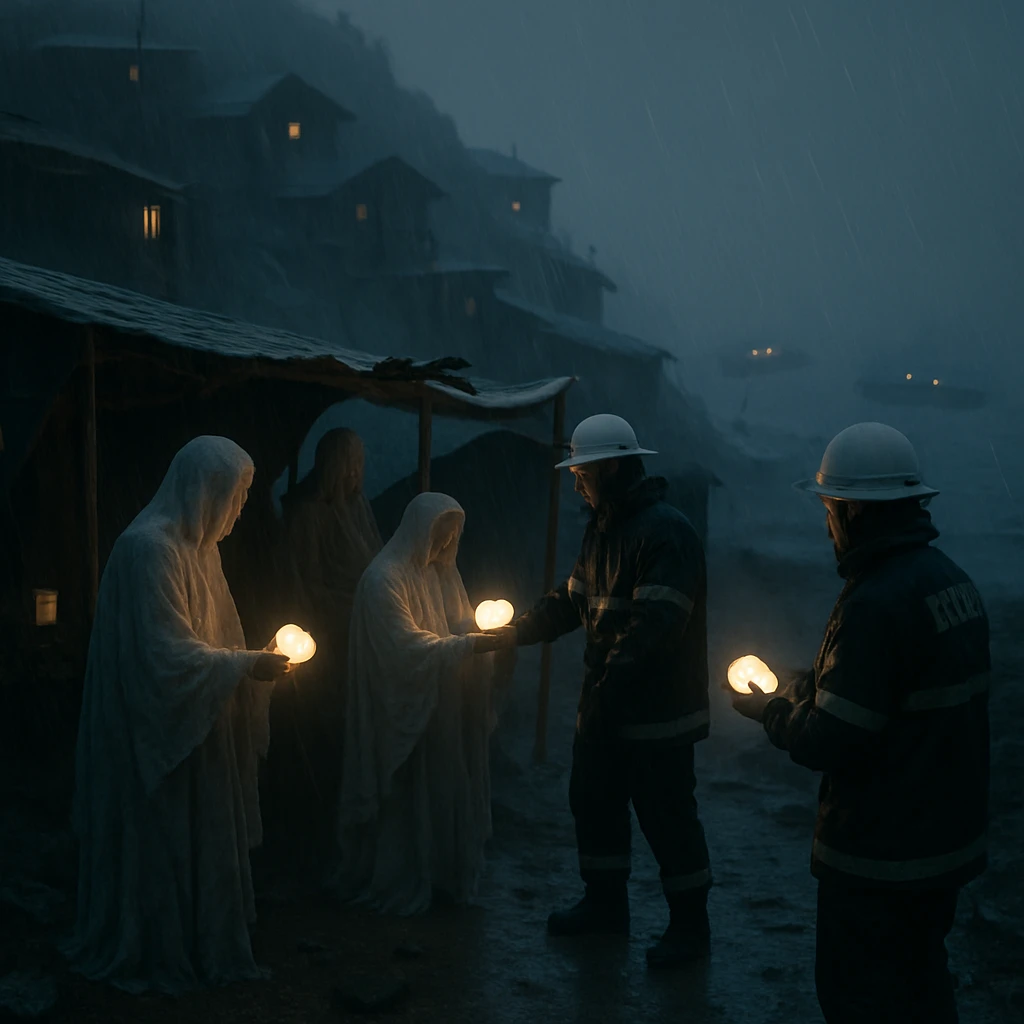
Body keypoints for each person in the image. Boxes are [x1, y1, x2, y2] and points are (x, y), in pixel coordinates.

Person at [730, 422, 989, 1024]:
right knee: (923, 986)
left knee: (859, 999)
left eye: (829, 510)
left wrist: (770, 710)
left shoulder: (873, 602)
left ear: (850, 512)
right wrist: (799, 682)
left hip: (880, 858)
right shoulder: (953, 582)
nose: (826, 526)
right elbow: (890, 696)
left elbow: (832, 739)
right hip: (943, 847)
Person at [61, 436, 292, 994]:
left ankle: (198, 936)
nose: (239, 511)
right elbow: (163, 658)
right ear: (201, 490)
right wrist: (242, 666)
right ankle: (163, 940)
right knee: (163, 841)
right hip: (157, 739)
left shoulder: (201, 552)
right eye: (233, 496)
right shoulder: (150, 551)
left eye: (243, 498)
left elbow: (216, 638)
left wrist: (244, 664)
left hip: (199, 726)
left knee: (196, 836)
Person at [485, 413, 712, 969]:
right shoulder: (603, 530)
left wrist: (606, 696)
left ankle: (690, 928)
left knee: (668, 820)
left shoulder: (668, 533)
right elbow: (571, 602)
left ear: (610, 466)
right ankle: (605, 907)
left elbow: (653, 631)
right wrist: (514, 632)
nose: (576, 482)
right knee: (595, 805)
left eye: (582, 472)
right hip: (605, 708)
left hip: (656, 716)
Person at [330, 491, 513, 915]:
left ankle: (442, 874)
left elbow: (460, 622)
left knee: (442, 788)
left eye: (452, 538)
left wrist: (489, 636)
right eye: (439, 535)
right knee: (406, 800)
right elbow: (403, 645)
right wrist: (466, 645)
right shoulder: (383, 580)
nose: (445, 546)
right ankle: (402, 874)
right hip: (403, 710)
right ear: (418, 529)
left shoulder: (439, 575)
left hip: (441, 709)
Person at [273, 429, 383, 849]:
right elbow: (302, 584)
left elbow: (374, 565)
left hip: (359, 634)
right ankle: (311, 819)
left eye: (360, 466)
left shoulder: (356, 509)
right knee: (321, 728)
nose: (356, 475)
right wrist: (350, 602)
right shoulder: (308, 515)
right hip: (325, 637)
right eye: (349, 465)